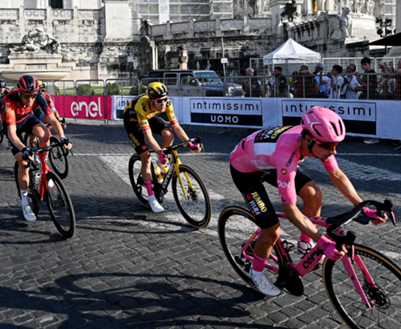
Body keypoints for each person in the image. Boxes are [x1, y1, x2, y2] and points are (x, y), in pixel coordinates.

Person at [228, 107, 386, 296]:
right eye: (328, 146)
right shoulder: (286, 154)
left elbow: (336, 174)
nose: (332, 152)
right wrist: (324, 241)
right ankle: (256, 273)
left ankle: (305, 243)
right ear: (309, 140)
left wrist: (362, 206)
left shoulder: (314, 142)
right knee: (272, 230)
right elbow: (290, 210)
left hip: (267, 162)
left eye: (335, 146)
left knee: (313, 195)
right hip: (245, 170)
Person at [123, 82, 200, 213]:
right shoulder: (142, 105)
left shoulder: (167, 103)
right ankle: (151, 198)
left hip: (150, 116)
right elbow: (148, 137)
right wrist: (160, 152)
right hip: (133, 121)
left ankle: (159, 166)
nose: (163, 103)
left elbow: (176, 127)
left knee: (169, 135)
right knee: (146, 158)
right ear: (151, 101)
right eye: (160, 101)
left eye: (165, 99)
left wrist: (189, 143)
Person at [4, 76, 71, 222]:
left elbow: (53, 119)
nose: (30, 100)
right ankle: (25, 203)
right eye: (27, 96)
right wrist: (23, 149)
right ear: (20, 93)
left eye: (33, 96)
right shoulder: (10, 100)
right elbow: (11, 133)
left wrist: (63, 138)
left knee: (44, 133)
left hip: (27, 119)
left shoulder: (39, 96)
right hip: (12, 125)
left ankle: (44, 165)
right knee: (23, 163)